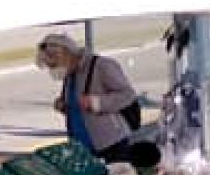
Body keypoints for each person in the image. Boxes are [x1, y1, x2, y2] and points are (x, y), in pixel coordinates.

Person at [36, 29, 143, 167]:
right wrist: (63, 105)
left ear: (67, 54)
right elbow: (76, 105)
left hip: (110, 144)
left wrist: (97, 103)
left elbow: (127, 95)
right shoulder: (69, 73)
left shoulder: (102, 66)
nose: (53, 69)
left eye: (54, 65)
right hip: (81, 146)